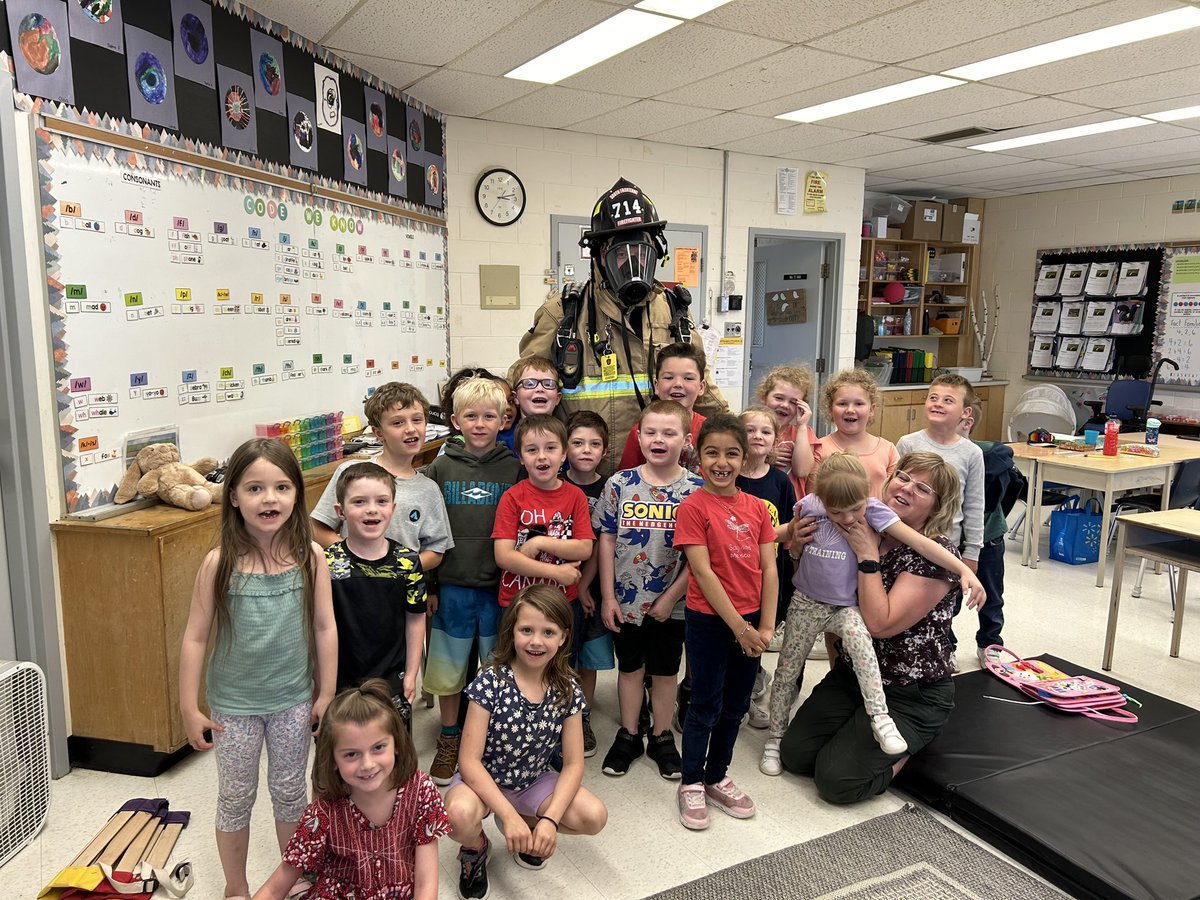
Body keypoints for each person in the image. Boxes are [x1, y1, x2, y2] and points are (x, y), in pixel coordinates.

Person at [178, 438, 337, 900]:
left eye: (281, 487)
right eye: (254, 488)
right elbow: (194, 637)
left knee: (290, 793)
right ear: (233, 497)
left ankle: (295, 879)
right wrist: (190, 707)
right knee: (234, 797)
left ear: (296, 495)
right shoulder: (218, 564)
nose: (269, 499)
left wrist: (325, 693)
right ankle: (236, 887)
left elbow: (325, 627)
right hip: (234, 707)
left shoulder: (311, 558)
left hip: (292, 700)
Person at [759, 452, 984, 776]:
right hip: (846, 662)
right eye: (904, 478)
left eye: (922, 488)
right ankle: (824, 727)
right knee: (796, 755)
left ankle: (904, 731)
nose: (907, 488)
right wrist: (792, 542)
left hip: (910, 687)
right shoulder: (841, 509)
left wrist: (965, 570)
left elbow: (878, 624)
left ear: (938, 504)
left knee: (836, 780)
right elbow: (799, 549)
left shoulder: (889, 528)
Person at [518, 178, 726, 474]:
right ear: (599, 256)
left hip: (657, 481)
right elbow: (526, 388)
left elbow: (702, 389)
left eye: (642, 253)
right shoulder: (563, 313)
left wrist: (742, 438)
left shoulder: (673, 311)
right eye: (620, 254)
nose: (632, 263)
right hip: (582, 477)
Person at [444, 586, 608, 899]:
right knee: (457, 816)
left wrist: (550, 820)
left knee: (594, 816)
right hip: (483, 781)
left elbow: (573, 764)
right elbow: (469, 761)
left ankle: (530, 825)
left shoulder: (568, 687)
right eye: (527, 630)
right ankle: (476, 847)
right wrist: (506, 815)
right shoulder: (490, 681)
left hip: (533, 781)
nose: (536, 641)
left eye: (548, 632)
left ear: (563, 637)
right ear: (512, 632)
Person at [672, 414, 777, 831]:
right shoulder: (693, 507)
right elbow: (703, 573)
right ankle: (692, 781)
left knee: (735, 706)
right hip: (711, 622)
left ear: (744, 456)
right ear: (699, 457)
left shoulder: (756, 509)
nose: (722, 462)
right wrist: (741, 629)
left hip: (752, 624)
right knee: (706, 704)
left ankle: (717, 776)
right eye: (712, 452)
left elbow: (770, 570)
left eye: (731, 453)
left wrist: (765, 630)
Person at [252, 680, 449, 900]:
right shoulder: (323, 813)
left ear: (396, 744)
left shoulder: (421, 792)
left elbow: (426, 884)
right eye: (351, 754)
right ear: (333, 759)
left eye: (378, 747)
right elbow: (275, 887)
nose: (367, 764)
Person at [422, 377, 523, 785]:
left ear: (504, 420)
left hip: (500, 590)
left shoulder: (515, 468)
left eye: (489, 416)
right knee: (448, 670)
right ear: (455, 420)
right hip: (452, 588)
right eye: (471, 416)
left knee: (496, 669)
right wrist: (429, 587)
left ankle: (490, 741)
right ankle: (450, 736)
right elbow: (425, 531)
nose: (480, 423)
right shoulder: (438, 469)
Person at [596, 400, 703, 780]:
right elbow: (606, 540)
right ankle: (628, 735)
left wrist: (672, 596)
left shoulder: (697, 490)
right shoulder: (620, 483)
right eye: (651, 432)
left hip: (673, 605)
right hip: (625, 603)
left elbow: (701, 557)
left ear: (686, 441)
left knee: (664, 671)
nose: (659, 440)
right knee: (629, 669)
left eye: (669, 433)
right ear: (638, 437)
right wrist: (608, 596)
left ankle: (660, 736)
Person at [311, 382, 453, 574]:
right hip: (353, 585)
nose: (410, 429)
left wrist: (396, 569)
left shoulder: (429, 489)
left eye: (417, 420)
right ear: (378, 433)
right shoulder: (351, 472)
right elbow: (317, 527)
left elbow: (436, 551)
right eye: (397, 423)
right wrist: (358, 559)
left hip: (400, 591)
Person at [325, 462, 425, 723]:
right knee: (344, 753)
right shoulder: (326, 563)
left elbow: (415, 617)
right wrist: (320, 684)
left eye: (381, 501)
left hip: (392, 679)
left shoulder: (408, 561)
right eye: (359, 502)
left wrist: (412, 673)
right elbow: (318, 625)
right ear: (340, 511)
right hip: (340, 679)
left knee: (393, 752)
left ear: (392, 508)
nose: (371, 509)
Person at [492, 415, 595, 607]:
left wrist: (540, 542)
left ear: (564, 454)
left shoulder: (576, 496)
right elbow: (504, 557)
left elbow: (584, 548)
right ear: (521, 458)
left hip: (562, 601)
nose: (541, 456)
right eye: (532, 450)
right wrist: (555, 572)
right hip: (518, 600)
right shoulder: (512, 497)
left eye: (551, 448)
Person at [735, 406, 796, 728]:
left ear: (775, 440)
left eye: (766, 431)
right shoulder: (728, 477)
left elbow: (789, 528)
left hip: (768, 576)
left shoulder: (780, 482)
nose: (758, 436)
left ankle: (745, 700)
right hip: (731, 577)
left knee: (755, 643)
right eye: (750, 430)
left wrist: (761, 537)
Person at [565, 410, 616, 757]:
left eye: (594, 444)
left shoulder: (610, 486)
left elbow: (604, 542)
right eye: (578, 443)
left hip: (598, 586)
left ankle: (582, 713)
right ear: (565, 447)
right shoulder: (553, 483)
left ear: (605, 450)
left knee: (588, 658)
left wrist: (586, 586)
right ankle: (560, 715)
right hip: (559, 587)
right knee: (561, 656)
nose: (586, 450)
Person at [958, 403, 1026, 667]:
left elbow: (1009, 487)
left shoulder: (990, 454)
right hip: (950, 539)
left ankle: (990, 643)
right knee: (945, 598)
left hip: (988, 536)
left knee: (991, 596)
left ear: (966, 422)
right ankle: (946, 645)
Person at [896, 374, 984, 572]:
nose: (938, 404)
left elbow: (974, 505)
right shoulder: (907, 443)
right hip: (905, 538)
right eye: (933, 398)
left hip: (946, 544)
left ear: (965, 412)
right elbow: (893, 492)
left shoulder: (972, 453)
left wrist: (972, 552)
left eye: (948, 400)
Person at [754, 364, 815, 650]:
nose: (785, 405)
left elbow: (802, 468)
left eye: (795, 401)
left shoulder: (799, 433)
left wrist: (802, 427)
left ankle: (777, 623)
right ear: (764, 396)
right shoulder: (750, 427)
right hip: (755, 511)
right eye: (779, 397)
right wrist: (766, 452)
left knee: (784, 573)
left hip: (787, 516)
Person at [616, 342, 709, 473]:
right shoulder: (641, 431)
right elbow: (625, 480)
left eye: (688, 378)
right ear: (657, 386)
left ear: (701, 387)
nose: (678, 384)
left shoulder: (710, 431)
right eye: (669, 377)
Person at [813, 368, 899, 498]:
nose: (850, 410)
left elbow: (895, 495)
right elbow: (812, 497)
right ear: (830, 409)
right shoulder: (819, 448)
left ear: (872, 409)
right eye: (842, 403)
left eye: (859, 403)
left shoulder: (888, 450)